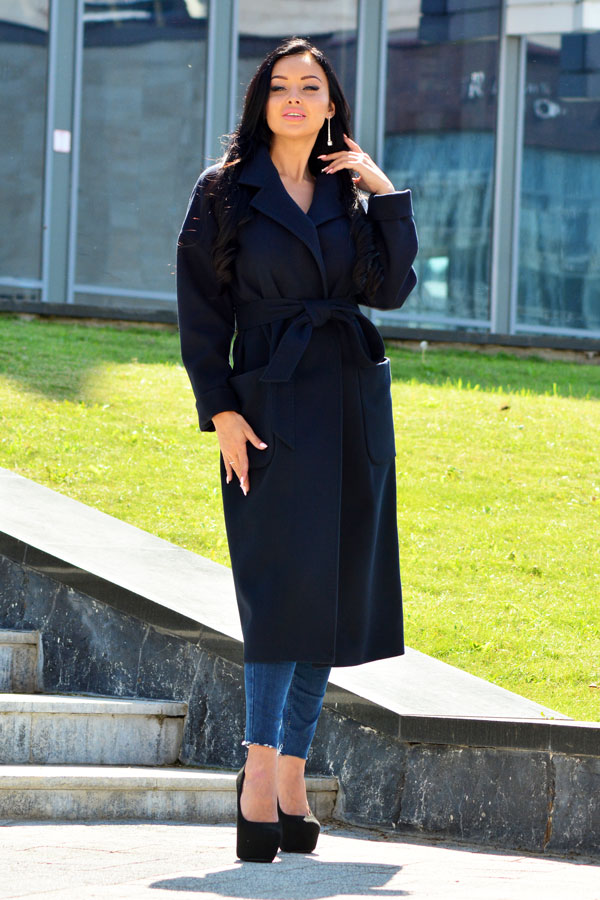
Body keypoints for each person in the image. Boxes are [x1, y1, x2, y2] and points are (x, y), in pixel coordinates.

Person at [176, 37, 418, 863]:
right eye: (279, 85)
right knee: (279, 590)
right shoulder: (224, 190)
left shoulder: (350, 192)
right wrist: (221, 412)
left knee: (334, 593)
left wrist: (384, 192)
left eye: (309, 87)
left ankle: (292, 775)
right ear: (262, 101)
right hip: (268, 403)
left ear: (330, 104)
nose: (293, 98)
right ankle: (256, 770)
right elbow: (201, 311)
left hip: (349, 398)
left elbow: (390, 291)